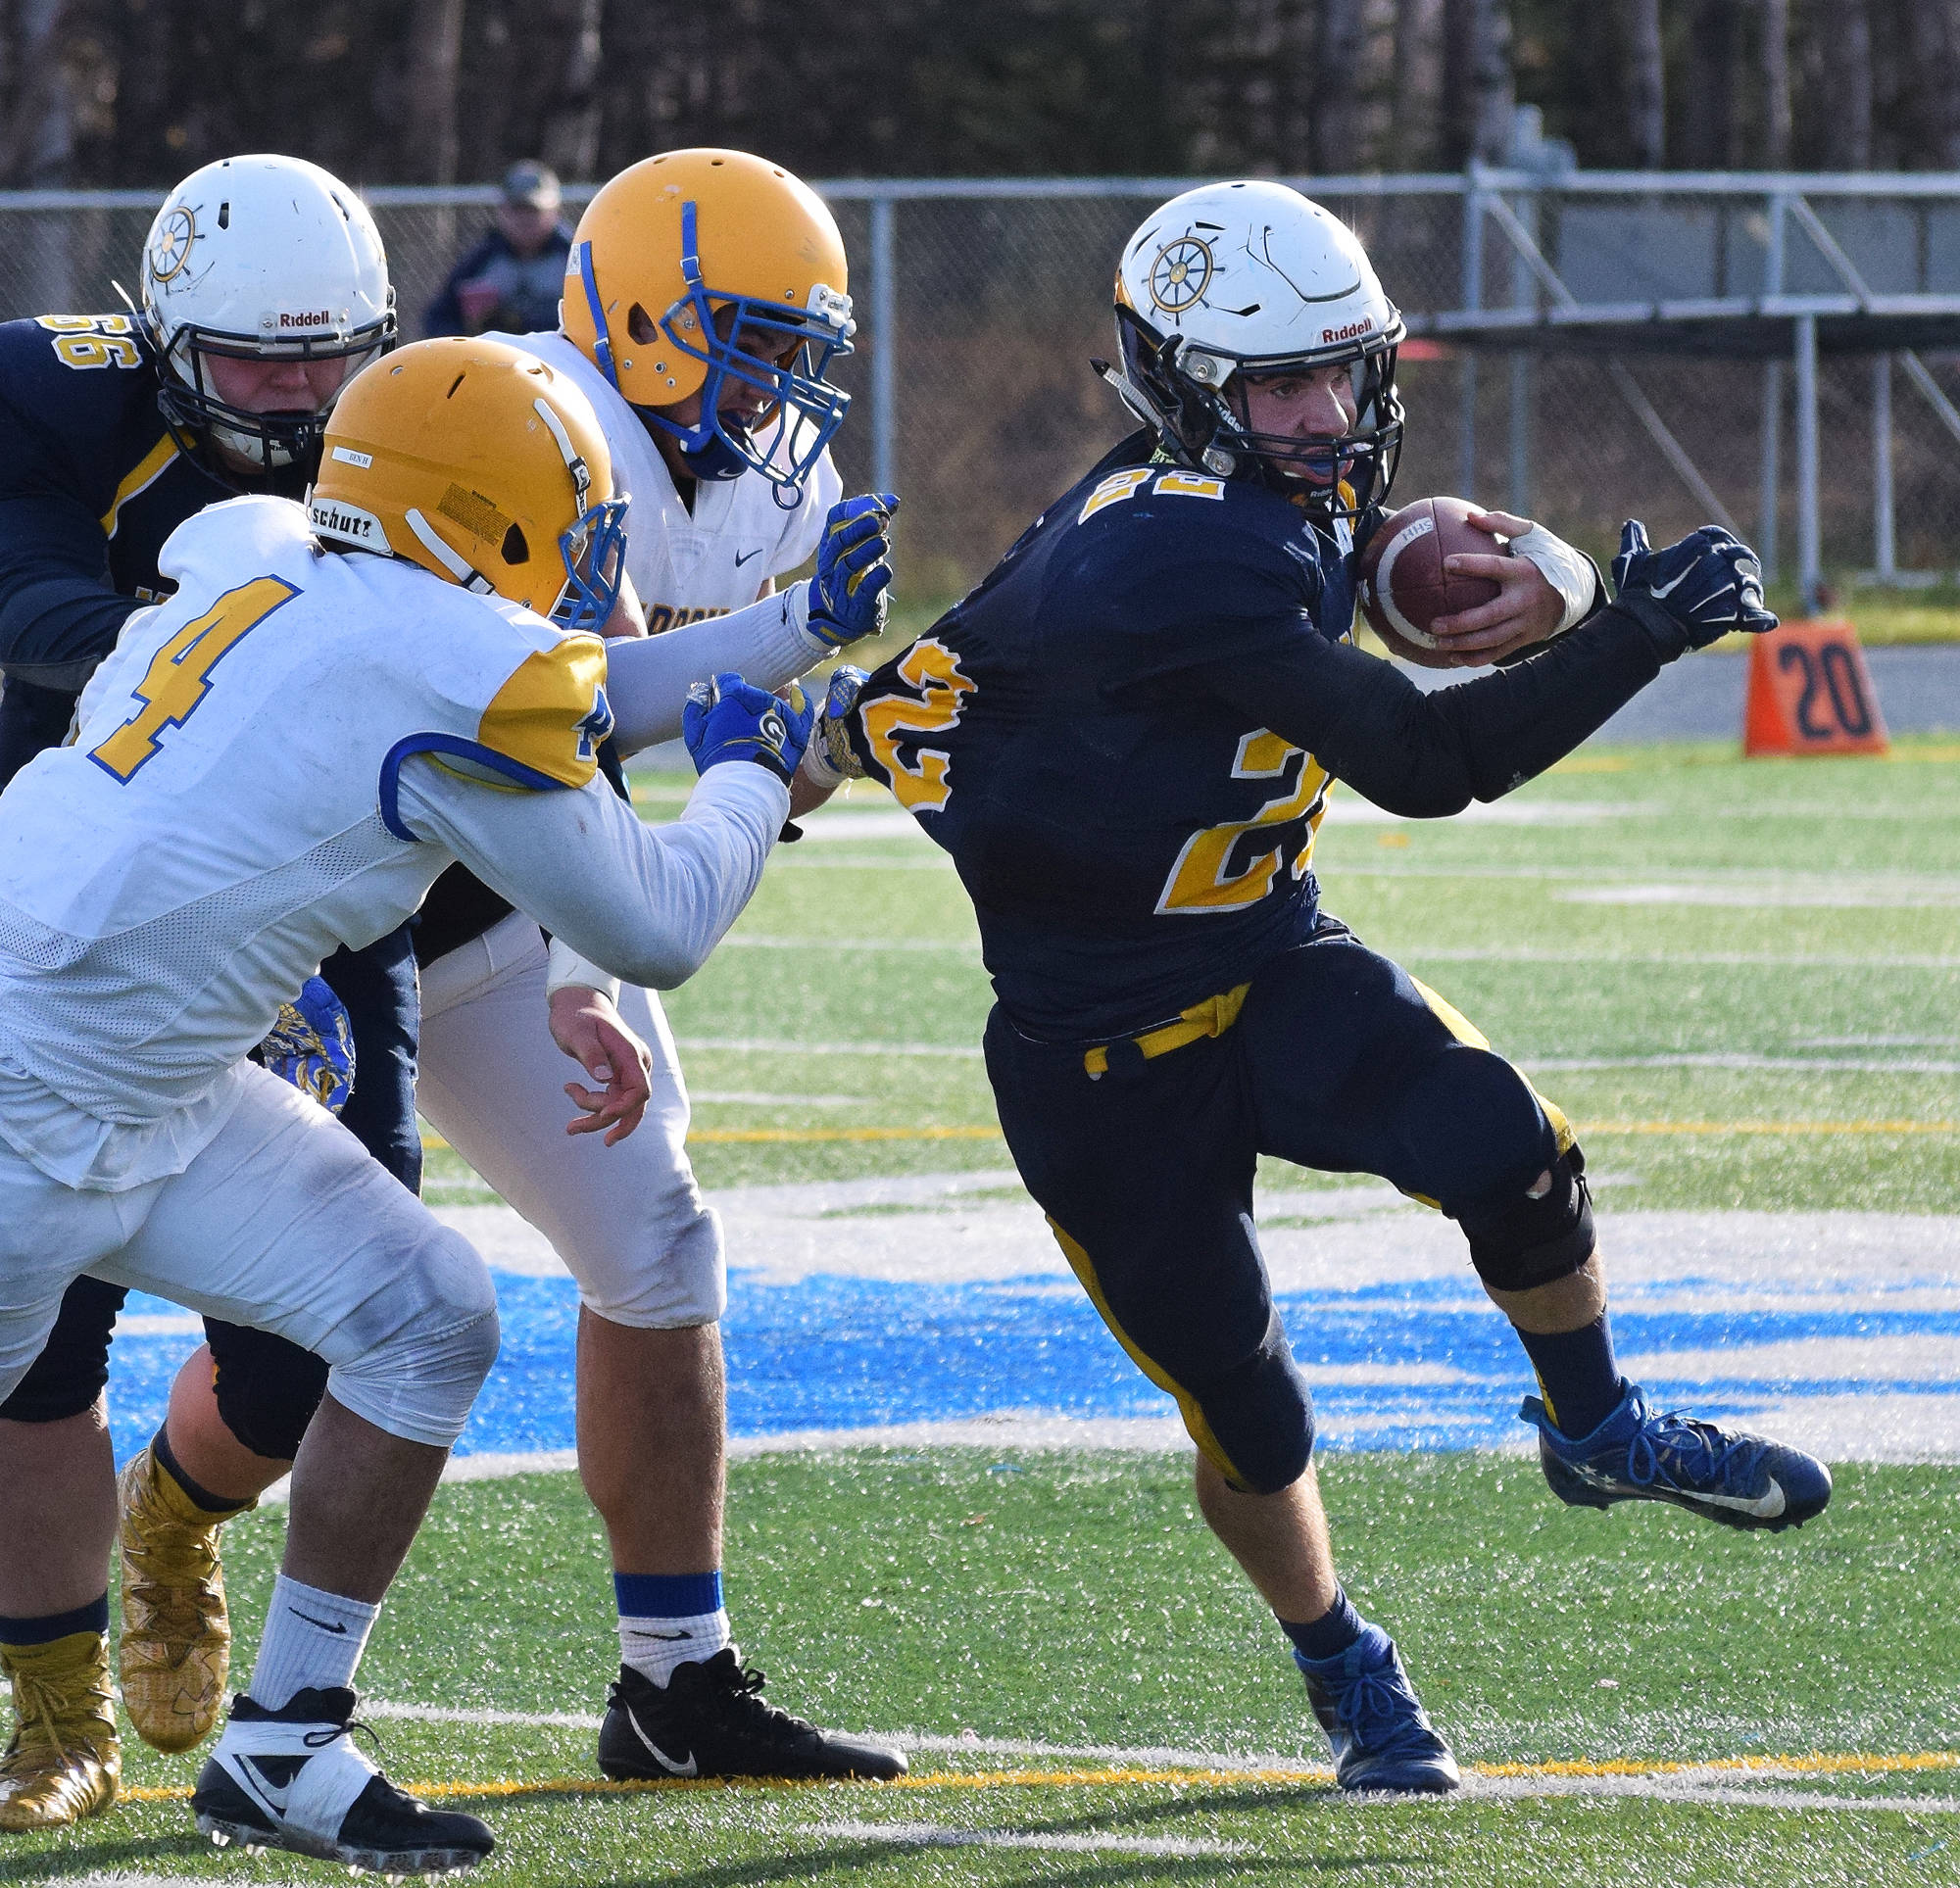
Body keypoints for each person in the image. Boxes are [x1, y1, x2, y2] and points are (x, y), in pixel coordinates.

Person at [806, 180, 1833, 1794]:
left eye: (1343, 375)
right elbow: (1426, 763)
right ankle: (1342, 1654)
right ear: (1188, 388)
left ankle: (1596, 1424)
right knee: (1252, 1411)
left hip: (1268, 955)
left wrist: (1520, 572)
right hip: (1100, 1057)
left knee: (1514, 1141)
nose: (1326, 414)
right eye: (1282, 385)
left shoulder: (1234, 502)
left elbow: (1354, 570)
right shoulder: (1169, 551)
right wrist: (1633, 629)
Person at [127, 147, 906, 1787]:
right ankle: (173, 1511)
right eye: (747, 336)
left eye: (795, 347)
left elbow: (625, 714)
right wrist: (612, 938)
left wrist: (827, 731)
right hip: (342, 916)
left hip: (500, 896)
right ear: (639, 311)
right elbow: (553, 695)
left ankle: (671, 1679)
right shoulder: (517, 410)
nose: (779, 385)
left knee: (656, 1244)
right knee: (305, 1333)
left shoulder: (788, 471)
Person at [0, 332, 811, 1871]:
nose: (584, 555)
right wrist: (753, 767)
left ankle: (287, 1738)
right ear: (492, 518)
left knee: (428, 1309)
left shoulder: (259, 540)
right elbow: (657, 925)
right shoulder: (441, 673)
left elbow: (572, 689)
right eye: (566, 519)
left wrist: (792, 624)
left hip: (147, 1077)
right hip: (24, 1099)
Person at [0, 153, 429, 1830]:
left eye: (333, 357)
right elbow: (30, 606)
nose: (303, 395)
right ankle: (53, 1707)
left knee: (324, 1340)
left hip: (305, 904)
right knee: (41, 1339)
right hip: (63, 899)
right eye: (258, 360)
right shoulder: (51, 405)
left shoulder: (419, 431)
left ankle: (172, 1511)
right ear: (162, 340)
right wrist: (226, 671)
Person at [423, 161, 575, 339]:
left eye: (533, 210)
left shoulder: (574, 258)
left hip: (560, 361)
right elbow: (438, 319)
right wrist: (468, 333)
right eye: (517, 209)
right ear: (502, 211)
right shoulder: (481, 260)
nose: (524, 220)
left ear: (555, 212)